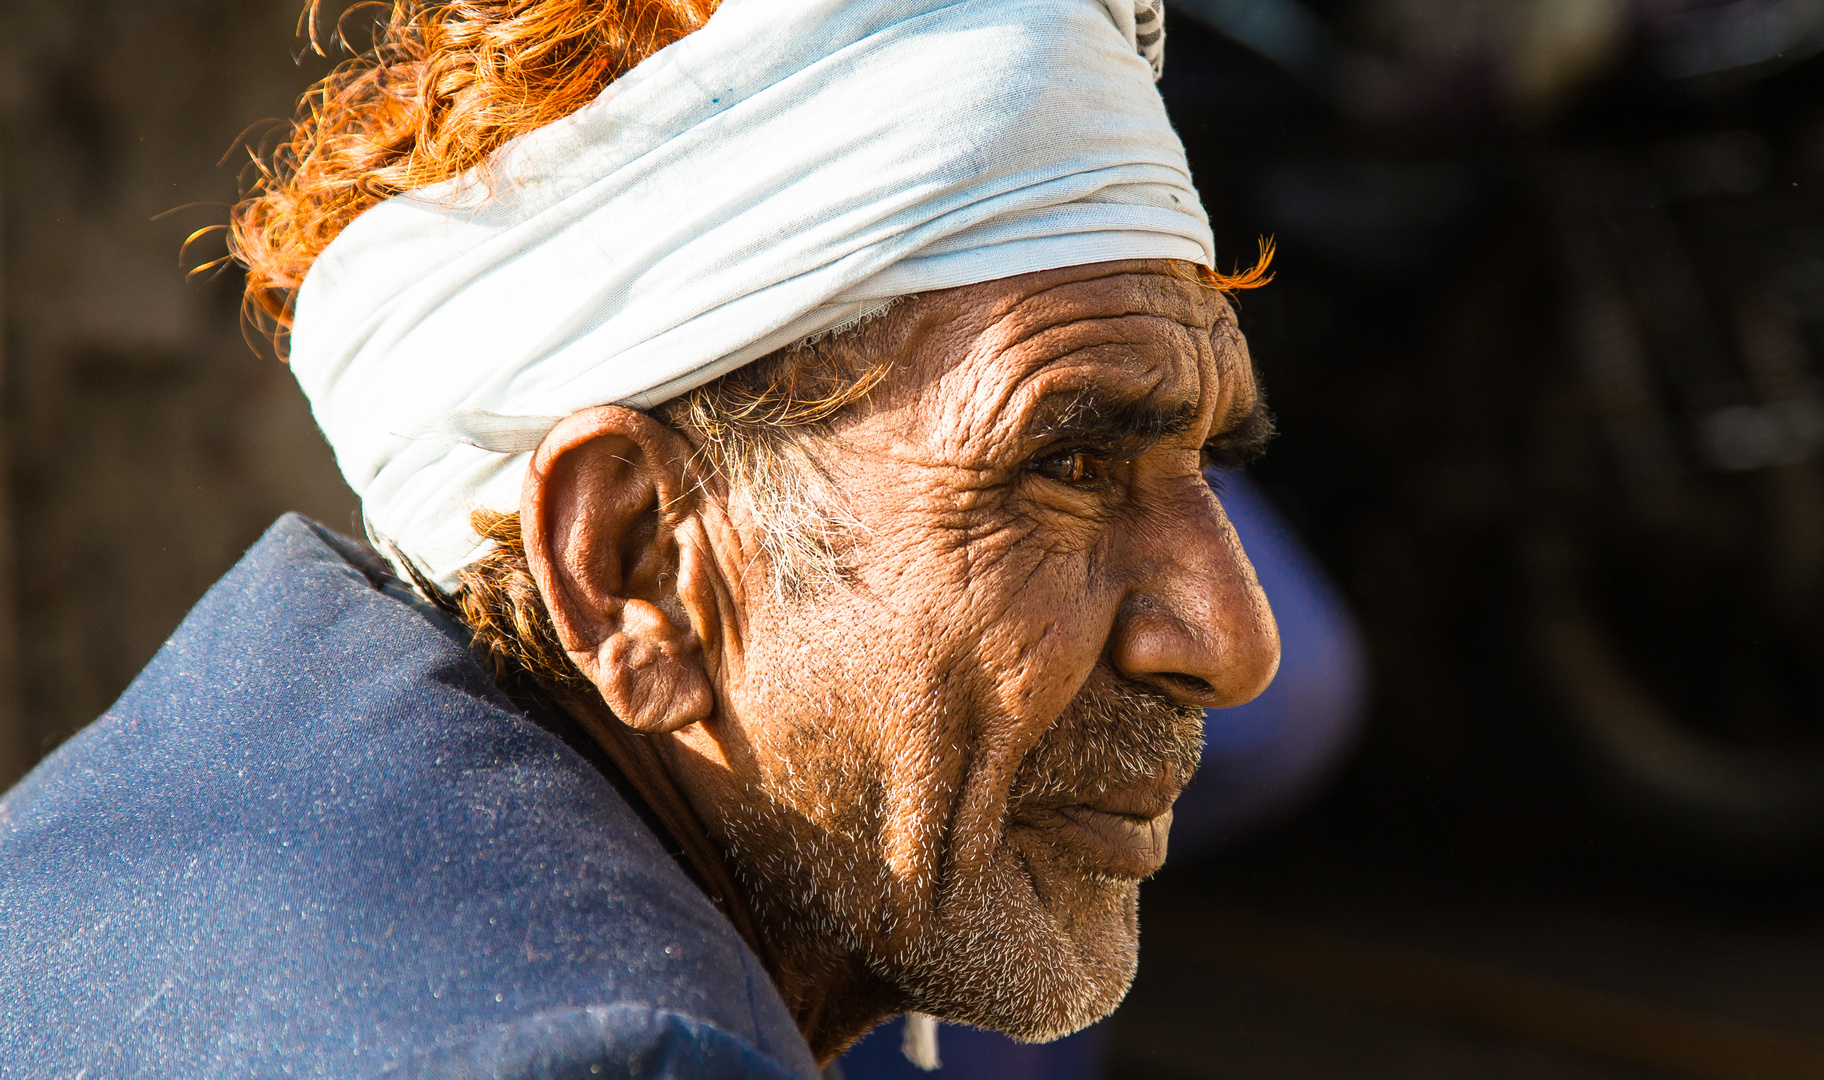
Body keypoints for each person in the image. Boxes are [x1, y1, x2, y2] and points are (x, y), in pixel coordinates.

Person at [0, 0, 1281, 1076]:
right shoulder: (613, 1052)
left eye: (1206, 465)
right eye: (1064, 467)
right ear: (632, 561)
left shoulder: (109, 843)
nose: (1232, 639)